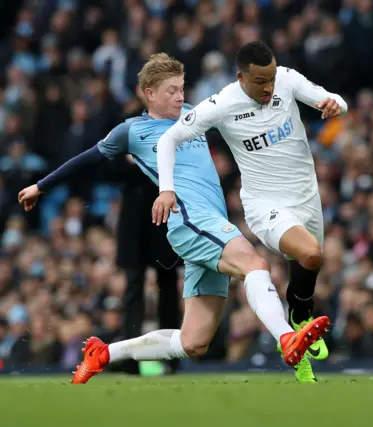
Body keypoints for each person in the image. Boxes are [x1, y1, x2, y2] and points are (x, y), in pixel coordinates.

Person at [17, 53, 330, 384]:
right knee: (256, 265)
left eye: (181, 89)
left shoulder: (194, 116)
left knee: (193, 341)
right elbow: (87, 159)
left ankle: (105, 353)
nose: (180, 96)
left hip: (210, 224)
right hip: (190, 221)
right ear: (149, 93)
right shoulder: (133, 130)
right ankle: (286, 338)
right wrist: (41, 186)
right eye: (171, 91)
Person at [152, 41, 347, 381]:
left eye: (271, 78)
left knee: (308, 263)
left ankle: (299, 319)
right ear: (241, 76)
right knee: (312, 254)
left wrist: (335, 105)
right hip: (265, 203)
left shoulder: (286, 79)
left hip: (306, 196)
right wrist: (166, 188)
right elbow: (168, 140)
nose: (268, 87)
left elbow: (333, 99)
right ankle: (292, 330)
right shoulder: (223, 103)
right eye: (260, 81)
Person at [111, 152, 181, 376]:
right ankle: (129, 357)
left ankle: (171, 356)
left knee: (167, 288)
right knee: (133, 290)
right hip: (135, 220)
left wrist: (137, 162)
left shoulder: (167, 129)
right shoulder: (127, 130)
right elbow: (108, 169)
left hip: (164, 216)